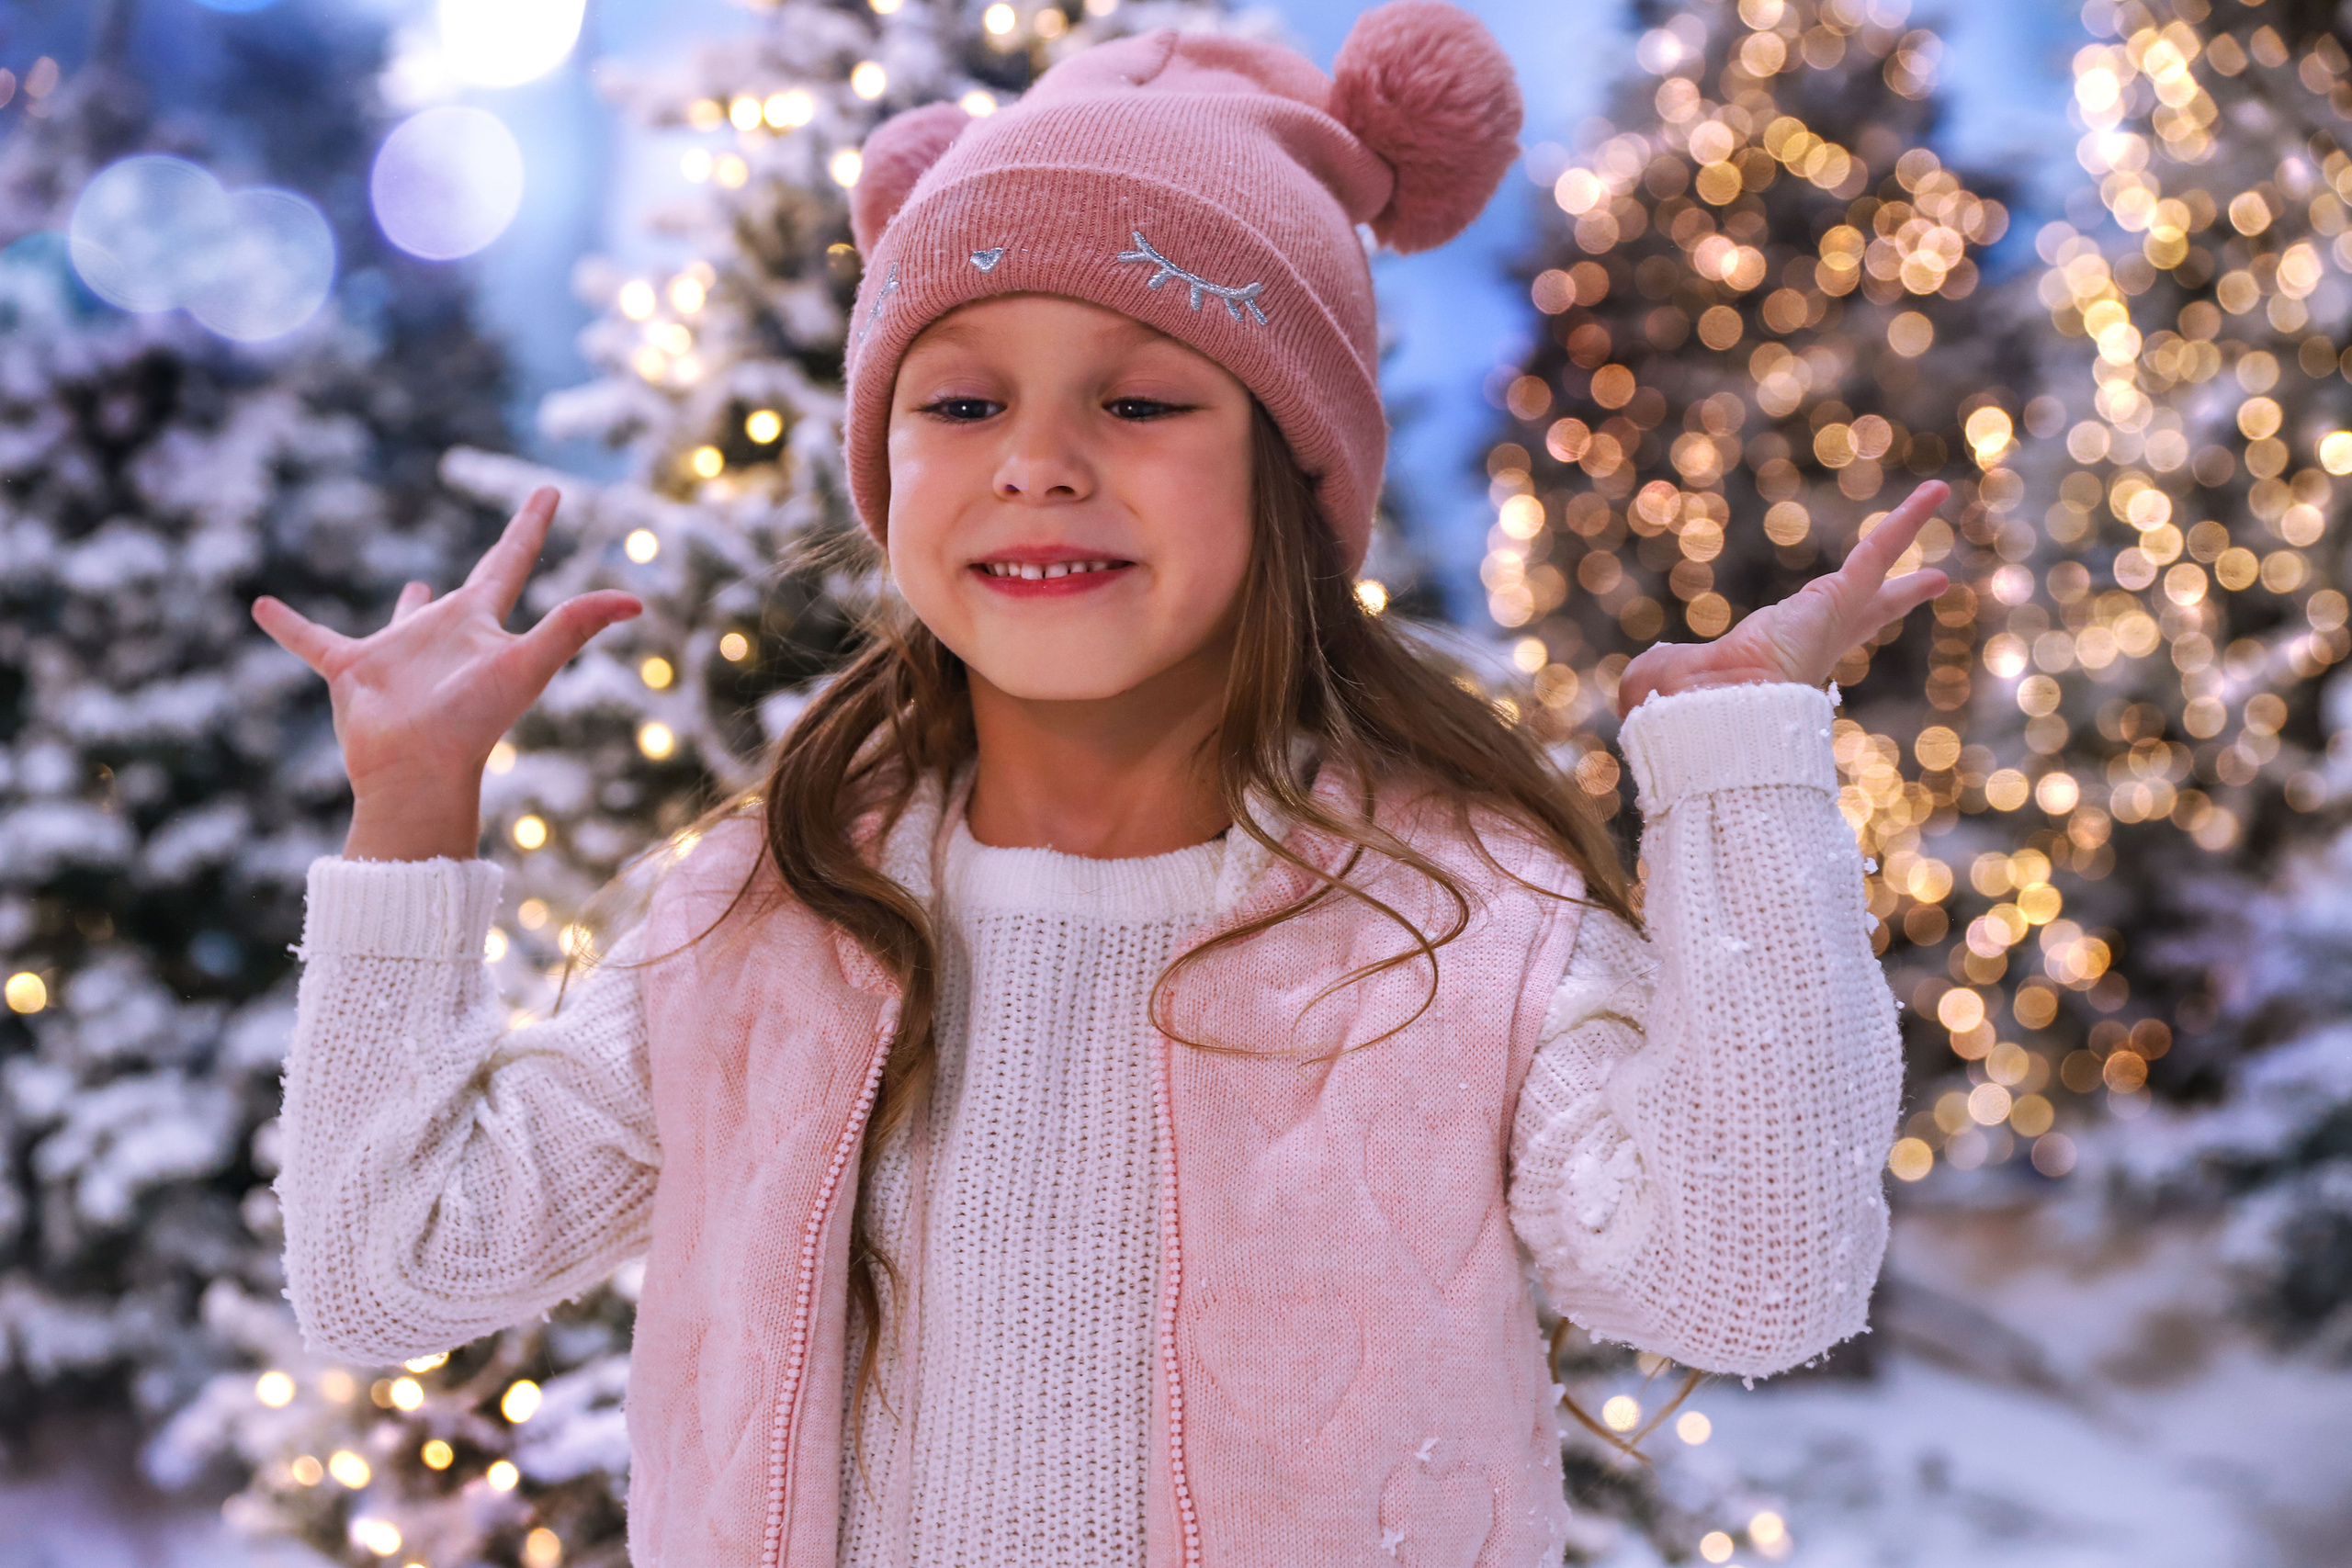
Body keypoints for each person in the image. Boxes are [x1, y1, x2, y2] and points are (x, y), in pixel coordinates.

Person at [254, 6, 1947, 1563]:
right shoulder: (766, 920)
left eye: (1140, 398)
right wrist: (410, 812)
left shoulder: (1458, 923)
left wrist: (1740, 776)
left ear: (1294, 469)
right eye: (963, 397)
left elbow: (1755, 1275)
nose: (1037, 460)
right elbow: (389, 1266)